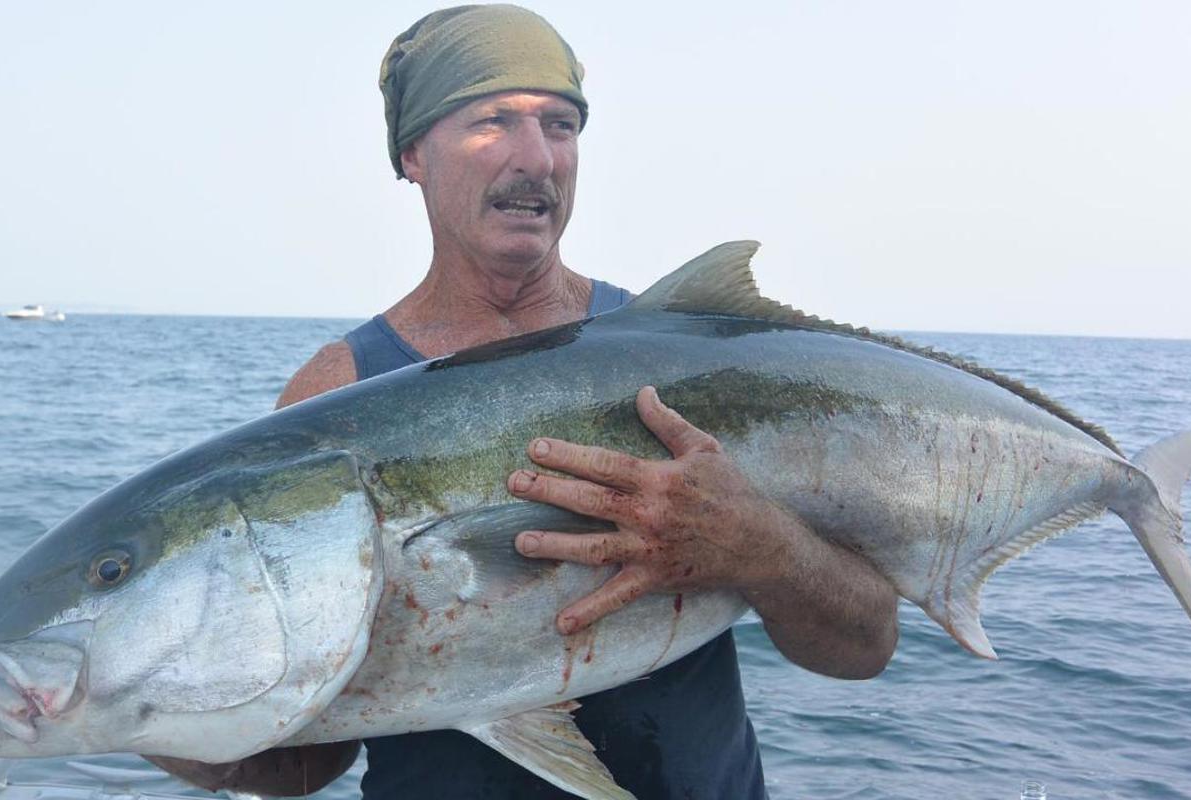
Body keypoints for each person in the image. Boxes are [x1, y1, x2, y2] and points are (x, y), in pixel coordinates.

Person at [272, 6, 899, 798]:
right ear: (413, 154)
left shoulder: (693, 363)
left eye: (561, 125)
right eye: (492, 121)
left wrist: (758, 544)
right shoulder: (340, 391)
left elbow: (864, 645)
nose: (536, 158)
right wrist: (180, 727)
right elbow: (305, 758)